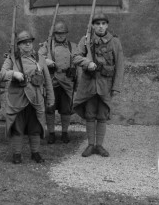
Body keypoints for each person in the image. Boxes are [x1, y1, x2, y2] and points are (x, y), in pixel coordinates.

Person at [73, 12, 125, 157]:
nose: (100, 26)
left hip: (105, 85)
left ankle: (99, 146)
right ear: (93, 26)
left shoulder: (114, 42)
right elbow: (75, 57)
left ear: (107, 25)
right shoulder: (86, 40)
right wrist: (87, 62)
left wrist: (116, 87)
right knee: (90, 115)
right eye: (97, 24)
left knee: (102, 115)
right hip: (89, 84)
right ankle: (90, 145)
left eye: (103, 24)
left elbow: (120, 65)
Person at [0, 30, 54, 164]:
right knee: (17, 128)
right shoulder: (12, 58)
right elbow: (1, 74)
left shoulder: (40, 58)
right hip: (18, 99)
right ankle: (17, 154)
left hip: (35, 98)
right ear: (19, 45)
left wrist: (51, 99)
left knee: (35, 127)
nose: (28, 45)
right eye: (24, 43)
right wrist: (13, 74)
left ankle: (35, 153)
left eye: (29, 42)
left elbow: (47, 80)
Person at [39, 21, 77, 144]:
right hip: (52, 81)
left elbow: (79, 59)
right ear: (54, 34)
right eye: (58, 33)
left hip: (67, 81)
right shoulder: (47, 45)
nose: (60, 35)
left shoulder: (72, 46)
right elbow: (37, 57)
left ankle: (65, 133)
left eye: (63, 33)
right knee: (50, 108)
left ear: (66, 33)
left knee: (66, 109)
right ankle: (51, 133)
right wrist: (46, 60)